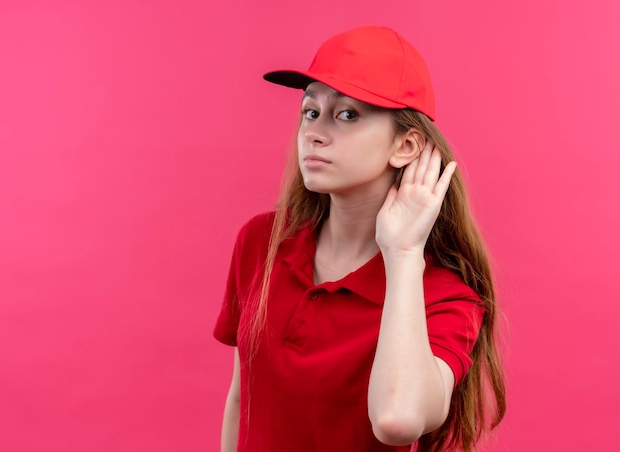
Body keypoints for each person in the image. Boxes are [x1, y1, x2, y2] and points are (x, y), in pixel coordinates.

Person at [214, 25, 506, 452]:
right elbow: (242, 398)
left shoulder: (446, 296)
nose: (314, 132)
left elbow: (397, 420)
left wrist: (404, 253)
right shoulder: (261, 242)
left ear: (406, 146)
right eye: (310, 111)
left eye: (347, 114)